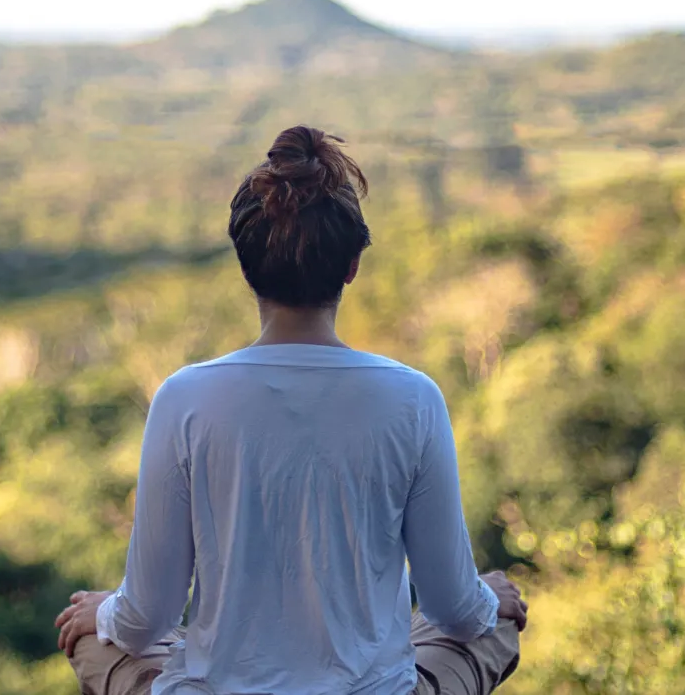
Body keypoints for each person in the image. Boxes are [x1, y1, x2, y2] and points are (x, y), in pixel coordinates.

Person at [55, 125, 526, 695]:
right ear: (352, 265)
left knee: (95, 634)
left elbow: (146, 620)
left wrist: (108, 611)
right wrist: (485, 599)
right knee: (492, 618)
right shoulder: (413, 397)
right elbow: (453, 610)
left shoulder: (184, 397)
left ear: (245, 264)